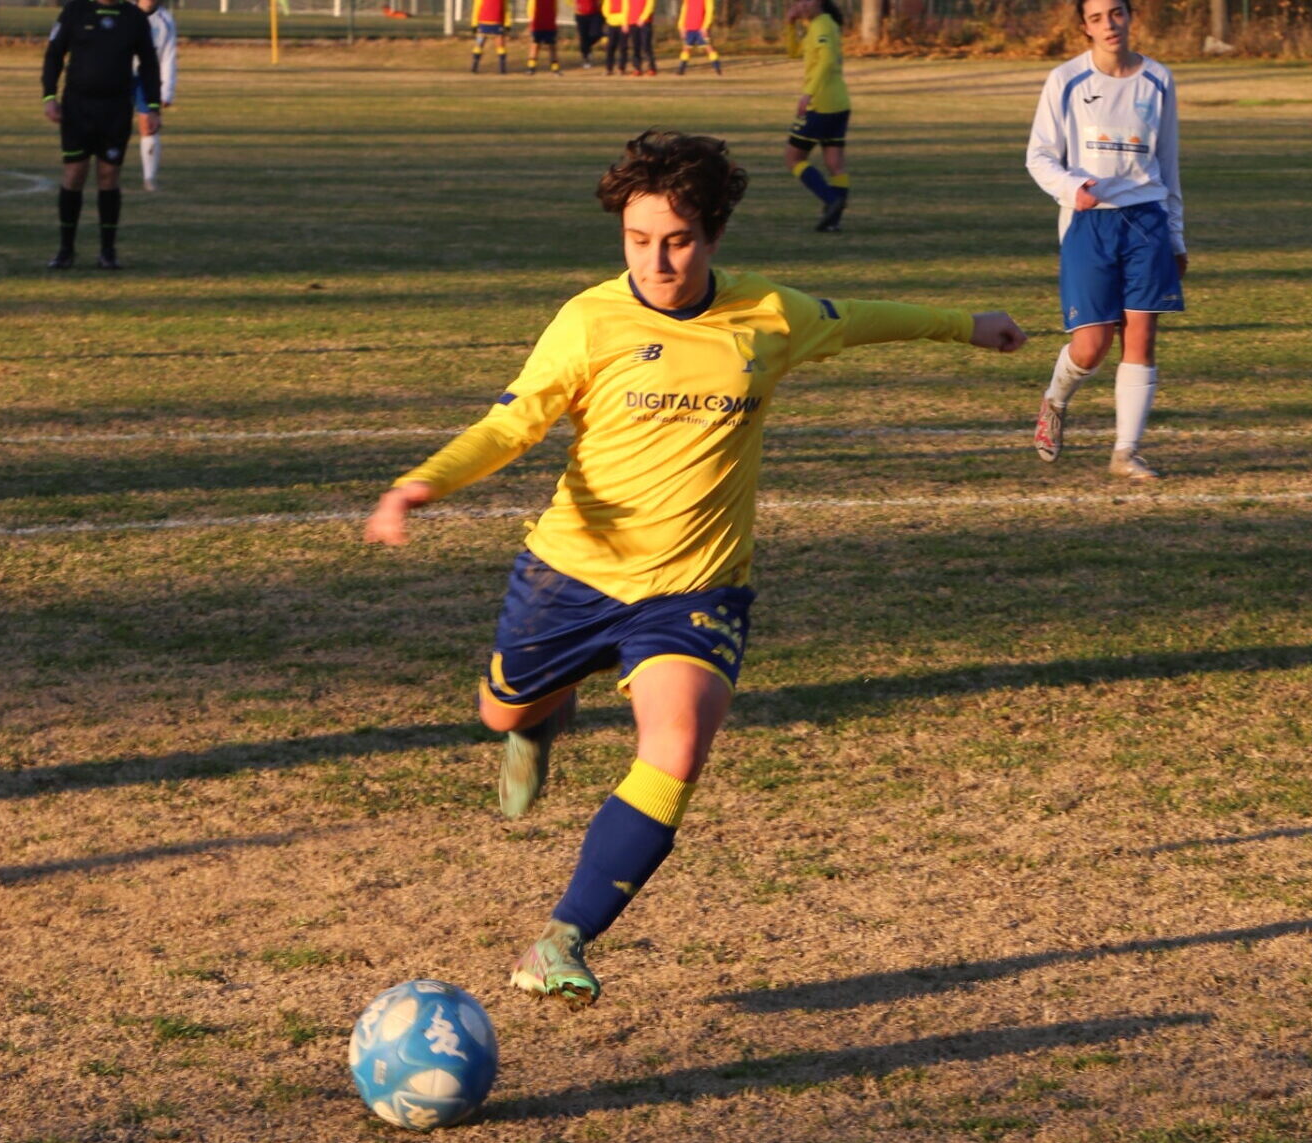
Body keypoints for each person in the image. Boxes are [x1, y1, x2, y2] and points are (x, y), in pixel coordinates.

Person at [363, 130, 1025, 1006]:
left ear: (713, 235)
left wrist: (967, 326)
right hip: (571, 574)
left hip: (695, 587)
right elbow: (508, 427)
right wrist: (421, 484)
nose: (657, 260)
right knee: (499, 710)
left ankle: (562, 936)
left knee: (676, 743)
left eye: (676, 240)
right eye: (638, 241)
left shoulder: (768, 318)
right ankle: (535, 721)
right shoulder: (590, 320)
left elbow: (862, 317)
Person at [1025, 0, 1185, 481]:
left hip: (1147, 218)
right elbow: (1039, 157)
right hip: (1088, 224)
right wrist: (1074, 189)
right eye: (1097, 18)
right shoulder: (1066, 80)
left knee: (1141, 333)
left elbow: (1170, 163)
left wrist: (1176, 235)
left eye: (1116, 13)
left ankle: (1125, 452)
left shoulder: (1158, 80)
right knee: (1091, 346)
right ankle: (1055, 399)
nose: (1109, 24)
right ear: (1084, 27)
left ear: (1131, 17)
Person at [42, 0, 161, 270]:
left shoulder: (134, 17)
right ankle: (65, 251)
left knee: (109, 176)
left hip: (116, 108)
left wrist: (152, 106)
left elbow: (149, 63)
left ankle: (108, 252)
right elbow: (54, 53)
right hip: (77, 107)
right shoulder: (75, 11)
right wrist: (49, 96)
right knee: (74, 173)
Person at [783, 0, 851, 232]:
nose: (800, 5)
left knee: (793, 158)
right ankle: (833, 222)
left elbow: (826, 60)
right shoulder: (822, 24)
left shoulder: (821, 25)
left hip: (821, 105)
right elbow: (794, 53)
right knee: (834, 164)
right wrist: (791, 26)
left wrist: (807, 94)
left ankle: (831, 200)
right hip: (839, 103)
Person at [134, 0, 176, 191]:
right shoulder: (125, 12)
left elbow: (169, 57)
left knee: (148, 125)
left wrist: (166, 91)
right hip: (118, 74)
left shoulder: (165, 20)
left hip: (146, 78)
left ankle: (149, 178)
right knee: (109, 125)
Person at [676, 0, 722, 75]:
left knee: (708, 48)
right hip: (689, 27)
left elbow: (709, 12)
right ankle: (681, 70)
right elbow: (684, 11)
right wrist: (681, 26)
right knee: (686, 48)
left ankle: (717, 69)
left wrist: (705, 27)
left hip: (701, 28)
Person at [470, 0, 510, 74]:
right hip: (484, 22)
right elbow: (476, 8)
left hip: (496, 22)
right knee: (479, 44)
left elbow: (506, 9)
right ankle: (474, 66)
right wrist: (474, 23)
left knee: (500, 44)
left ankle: (502, 67)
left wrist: (507, 23)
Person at [527, 0, 561, 74]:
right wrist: (531, 20)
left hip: (549, 22)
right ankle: (531, 67)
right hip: (538, 22)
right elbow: (530, 7)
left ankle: (555, 68)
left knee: (552, 46)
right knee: (535, 45)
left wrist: (554, 19)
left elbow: (556, 8)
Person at [624, 0, 657, 76]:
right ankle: (637, 68)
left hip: (645, 22)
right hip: (632, 22)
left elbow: (650, 6)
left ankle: (651, 68)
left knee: (646, 46)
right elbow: (626, 8)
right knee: (636, 47)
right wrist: (625, 22)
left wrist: (643, 18)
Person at [573, 0, 605, 67]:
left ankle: (587, 47)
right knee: (583, 37)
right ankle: (586, 59)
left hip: (594, 13)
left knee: (596, 34)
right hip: (581, 14)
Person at [602, 0, 629, 74]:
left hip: (623, 24)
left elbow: (628, 9)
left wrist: (625, 22)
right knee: (610, 47)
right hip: (611, 23)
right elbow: (605, 8)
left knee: (623, 47)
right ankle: (609, 68)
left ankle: (621, 68)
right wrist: (609, 18)